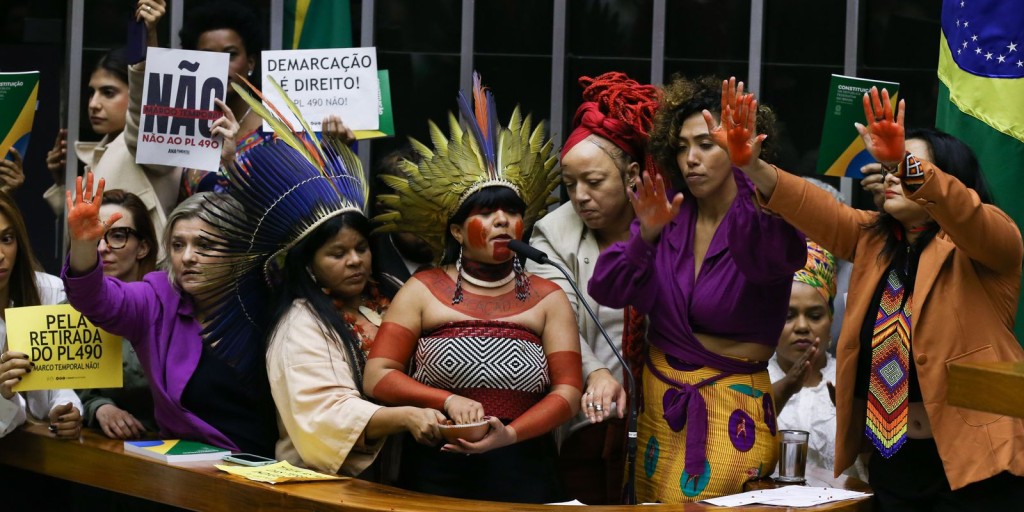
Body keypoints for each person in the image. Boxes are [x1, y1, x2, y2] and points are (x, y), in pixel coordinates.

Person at [717, 82, 1024, 510]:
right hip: (893, 461)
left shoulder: (989, 240)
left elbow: (966, 215)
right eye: (891, 167)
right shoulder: (874, 240)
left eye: (909, 166)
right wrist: (752, 165)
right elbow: (810, 205)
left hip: (979, 464)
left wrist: (902, 161)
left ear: (948, 179)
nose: (894, 175)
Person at [196, 92, 447, 477]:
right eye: (337, 253)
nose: (355, 261)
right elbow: (326, 415)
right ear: (309, 265)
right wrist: (406, 416)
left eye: (361, 248)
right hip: (325, 489)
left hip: (400, 480)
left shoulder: (389, 299)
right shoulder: (300, 323)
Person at [363, 75, 583, 503]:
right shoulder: (422, 289)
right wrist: (446, 400)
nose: (502, 221)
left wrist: (509, 435)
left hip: (524, 471)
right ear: (457, 231)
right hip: (435, 474)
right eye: (487, 212)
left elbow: (568, 392)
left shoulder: (548, 298)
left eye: (511, 211)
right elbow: (378, 376)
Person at [587, 75, 806, 503]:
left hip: (730, 406)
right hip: (660, 402)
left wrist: (750, 172)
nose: (691, 159)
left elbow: (769, 255)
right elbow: (606, 288)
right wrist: (644, 236)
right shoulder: (670, 212)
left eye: (706, 144)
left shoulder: (766, 213)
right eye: (682, 146)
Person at [63, 176, 277, 456]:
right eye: (177, 245)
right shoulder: (157, 299)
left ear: (237, 251)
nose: (187, 257)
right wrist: (82, 246)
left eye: (204, 245)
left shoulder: (269, 301)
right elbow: (95, 299)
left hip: (270, 466)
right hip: (190, 466)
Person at [527, 71, 658, 504]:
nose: (579, 196)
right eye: (570, 184)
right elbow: (558, 319)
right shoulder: (552, 233)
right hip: (589, 423)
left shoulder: (668, 225)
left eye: (594, 182)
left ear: (632, 174)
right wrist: (596, 373)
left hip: (666, 417)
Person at [768, 240, 867, 480]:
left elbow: (875, 463)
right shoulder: (754, 379)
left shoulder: (851, 378)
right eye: (788, 316)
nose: (802, 327)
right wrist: (783, 390)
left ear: (831, 320)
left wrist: (852, 416)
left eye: (814, 315)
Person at [76, 189, 159, 439]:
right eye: (95, 236)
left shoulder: (168, 305)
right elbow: (62, 385)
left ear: (142, 247)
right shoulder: (69, 309)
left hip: (170, 442)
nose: (102, 248)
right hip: (97, 443)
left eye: (118, 236)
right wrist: (98, 406)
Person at [0, 191, 83, 439]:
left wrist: (66, 409)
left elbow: (61, 377)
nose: (0, 255)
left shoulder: (51, 290)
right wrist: (4, 395)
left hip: (46, 449)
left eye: (6, 239)